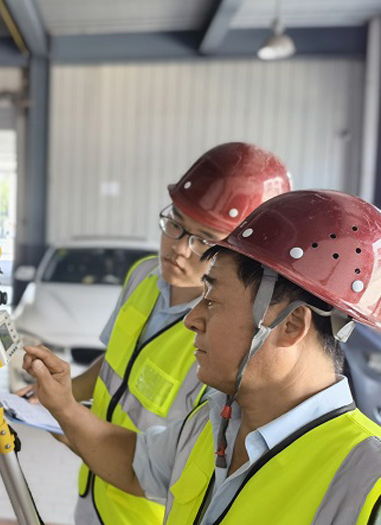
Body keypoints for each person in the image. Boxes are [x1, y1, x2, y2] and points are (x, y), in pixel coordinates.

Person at [24, 189, 381, 525]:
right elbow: (136, 466)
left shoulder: (367, 483)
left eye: (213, 300)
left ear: (290, 325)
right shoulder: (213, 422)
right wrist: (64, 407)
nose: (192, 320)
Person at [17, 142, 291, 524]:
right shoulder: (143, 275)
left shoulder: (233, 338)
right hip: (93, 488)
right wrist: (54, 395)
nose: (178, 249)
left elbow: (187, 458)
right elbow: (115, 361)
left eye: (204, 240)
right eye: (175, 224)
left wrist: (70, 417)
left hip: (146, 510)